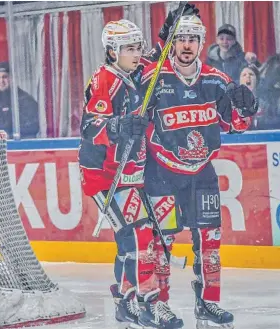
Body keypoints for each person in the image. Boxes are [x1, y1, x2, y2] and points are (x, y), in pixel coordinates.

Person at [77, 15, 205, 329]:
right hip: (105, 175)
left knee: (131, 238)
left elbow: (158, 58)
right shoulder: (105, 79)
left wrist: (169, 32)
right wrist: (117, 126)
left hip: (130, 172)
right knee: (136, 236)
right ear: (112, 52)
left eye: (138, 47)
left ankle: (124, 301)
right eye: (129, 49)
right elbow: (89, 126)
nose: (136, 53)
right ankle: (141, 301)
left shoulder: (135, 72)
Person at [141, 15, 258, 329]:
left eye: (193, 39)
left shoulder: (216, 81)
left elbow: (234, 125)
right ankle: (159, 304)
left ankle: (208, 303)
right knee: (162, 241)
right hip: (161, 173)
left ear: (201, 43)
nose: (187, 45)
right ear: (173, 43)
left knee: (210, 241)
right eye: (181, 39)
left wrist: (247, 110)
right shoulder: (154, 79)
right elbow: (129, 106)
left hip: (201, 172)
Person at [0, 62, 39, 139]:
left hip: (21, 148)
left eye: (4, 77)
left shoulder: (25, 99)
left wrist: (10, 136)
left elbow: (33, 127)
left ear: (11, 78)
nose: (1, 81)